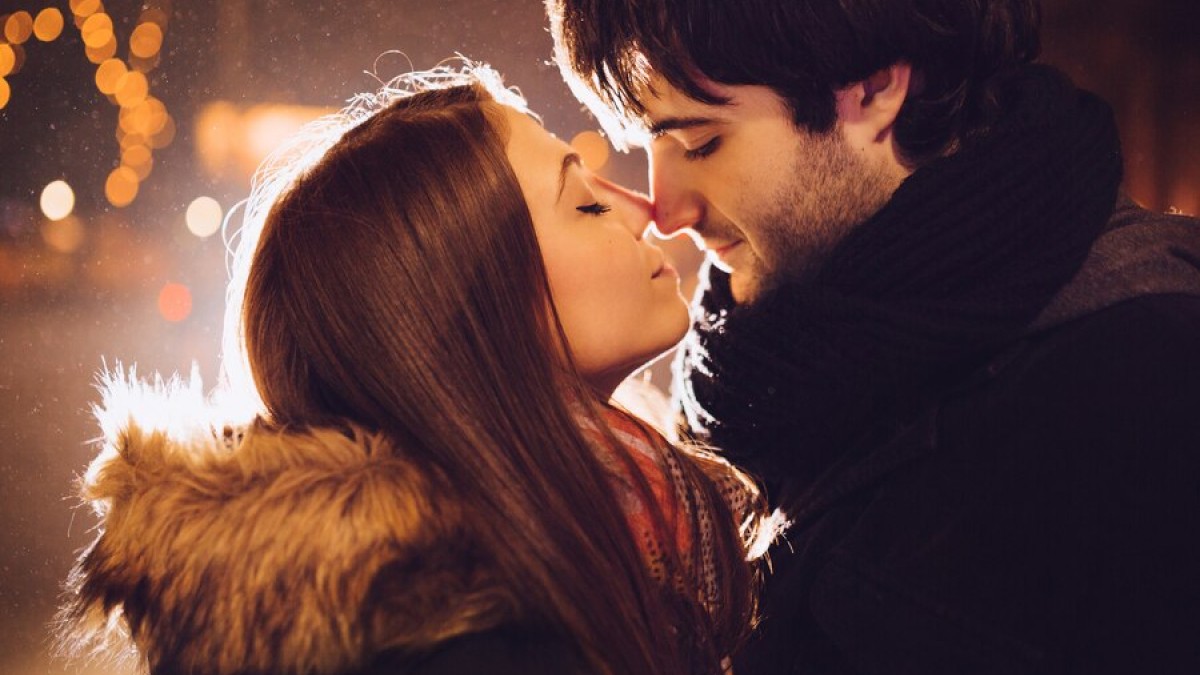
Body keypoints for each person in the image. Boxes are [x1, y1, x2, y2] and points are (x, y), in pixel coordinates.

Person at [56, 64, 776, 675]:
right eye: (585, 203)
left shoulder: (578, 545)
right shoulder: (467, 641)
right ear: (469, 308)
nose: (646, 211)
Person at [547, 0, 1200, 672]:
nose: (666, 211)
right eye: (646, 145)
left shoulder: (1146, 385)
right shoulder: (763, 370)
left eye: (700, 143)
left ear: (874, 87)